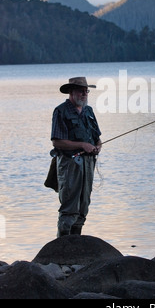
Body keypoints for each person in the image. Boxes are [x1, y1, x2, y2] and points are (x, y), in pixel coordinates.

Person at [51, 77, 102, 237]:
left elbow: (97, 137)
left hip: (88, 164)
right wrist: (82, 145)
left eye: (86, 91)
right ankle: (61, 249)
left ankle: (77, 247)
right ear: (71, 92)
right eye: (81, 90)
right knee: (69, 207)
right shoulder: (61, 111)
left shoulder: (89, 111)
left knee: (84, 206)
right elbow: (57, 142)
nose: (85, 93)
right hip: (69, 165)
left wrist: (98, 146)